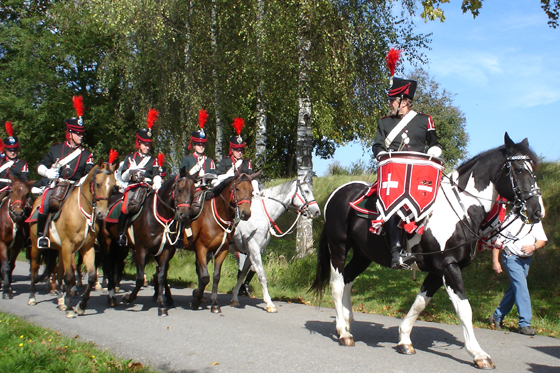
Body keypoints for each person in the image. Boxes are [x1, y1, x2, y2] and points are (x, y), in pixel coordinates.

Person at [372, 48, 442, 270]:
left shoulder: (424, 120)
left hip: (420, 174)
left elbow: (435, 143)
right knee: (392, 202)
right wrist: (381, 154)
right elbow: (377, 145)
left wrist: (435, 151)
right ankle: (396, 252)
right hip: (395, 174)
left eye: (392, 100)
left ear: (403, 101)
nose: (389, 104)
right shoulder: (384, 123)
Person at [35, 96, 94, 249]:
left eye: (82, 133)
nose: (80, 136)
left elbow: (89, 172)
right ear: (70, 133)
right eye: (77, 133)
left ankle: (93, 237)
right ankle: (41, 235)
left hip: (75, 187)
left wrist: (82, 181)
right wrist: (48, 173)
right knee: (45, 201)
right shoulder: (55, 148)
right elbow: (41, 165)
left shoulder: (87, 154)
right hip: (57, 185)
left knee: (93, 205)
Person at [216, 117, 259, 296]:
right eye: (236, 149)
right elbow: (218, 180)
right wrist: (229, 174)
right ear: (231, 149)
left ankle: (243, 283)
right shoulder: (226, 163)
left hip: (244, 203)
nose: (239, 153)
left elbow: (252, 185)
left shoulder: (247, 164)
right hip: (229, 205)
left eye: (241, 150)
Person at [489, 215, 548, 336]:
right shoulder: (509, 219)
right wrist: (495, 261)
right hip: (510, 257)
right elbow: (497, 242)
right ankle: (524, 324)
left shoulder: (535, 220)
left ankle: (497, 316)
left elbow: (542, 239)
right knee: (521, 287)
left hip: (526, 260)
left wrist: (533, 246)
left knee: (515, 288)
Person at [116, 108, 165, 246]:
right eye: (145, 144)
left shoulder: (153, 160)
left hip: (148, 188)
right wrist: (130, 170)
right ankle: (121, 234)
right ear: (139, 144)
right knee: (125, 207)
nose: (147, 147)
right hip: (133, 187)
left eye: (149, 144)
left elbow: (156, 174)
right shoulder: (130, 157)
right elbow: (124, 177)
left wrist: (157, 183)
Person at [180, 109, 217, 219]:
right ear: (194, 145)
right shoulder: (187, 160)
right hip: (193, 190)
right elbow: (182, 178)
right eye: (198, 144)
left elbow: (213, 177)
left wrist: (215, 182)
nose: (201, 147)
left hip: (207, 190)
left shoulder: (210, 161)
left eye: (203, 145)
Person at [0, 121, 29, 189]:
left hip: (15, 191)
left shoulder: (22, 164)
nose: (12, 153)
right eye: (10, 151)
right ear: (6, 150)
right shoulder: (1, 161)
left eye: (14, 150)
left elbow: (24, 180)